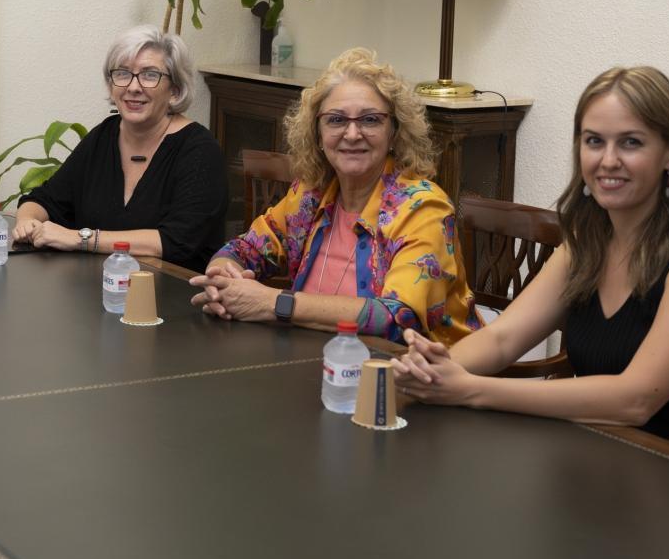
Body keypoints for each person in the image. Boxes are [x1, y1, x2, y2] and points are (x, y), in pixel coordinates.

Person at [392, 67, 669, 463]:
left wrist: (470, 390)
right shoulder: (585, 243)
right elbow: (503, 339)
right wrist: (430, 372)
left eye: (631, 143)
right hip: (610, 447)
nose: (608, 160)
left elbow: (636, 399)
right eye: (594, 141)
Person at [190, 48, 481, 343]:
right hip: (320, 362)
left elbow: (397, 318)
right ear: (317, 134)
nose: (352, 134)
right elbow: (244, 250)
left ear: (394, 132)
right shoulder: (312, 193)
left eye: (370, 120)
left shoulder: (423, 208)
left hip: (416, 375)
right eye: (336, 120)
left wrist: (273, 302)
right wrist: (221, 282)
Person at [9, 26, 228, 272]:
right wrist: (27, 221)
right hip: (101, 289)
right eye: (123, 74)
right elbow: (44, 200)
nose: (133, 87)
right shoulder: (104, 136)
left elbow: (176, 241)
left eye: (149, 75)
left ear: (175, 91)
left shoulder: (200, 151)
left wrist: (81, 239)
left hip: (172, 294)